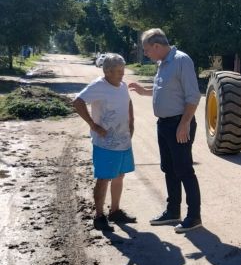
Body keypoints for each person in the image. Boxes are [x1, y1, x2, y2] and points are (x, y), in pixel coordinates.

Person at [128, 28, 202, 233]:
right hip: (164, 124)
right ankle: (172, 211)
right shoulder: (162, 64)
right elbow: (165, 89)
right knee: (169, 168)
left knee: (184, 170)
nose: (146, 54)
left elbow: (193, 96)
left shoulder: (181, 60)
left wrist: (185, 123)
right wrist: (144, 91)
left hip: (179, 124)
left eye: (146, 50)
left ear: (157, 46)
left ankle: (194, 216)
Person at [73, 53, 136, 232]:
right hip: (105, 143)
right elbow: (77, 102)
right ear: (107, 71)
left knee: (119, 175)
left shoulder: (122, 85)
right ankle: (99, 216)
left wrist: (131, 122)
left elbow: (128, 102)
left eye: (123, 70)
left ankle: (115, 211)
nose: (122, 74)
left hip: (123, 141)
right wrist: (93, 124)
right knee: (104, 178)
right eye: (118, 71)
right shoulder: (98, 86)